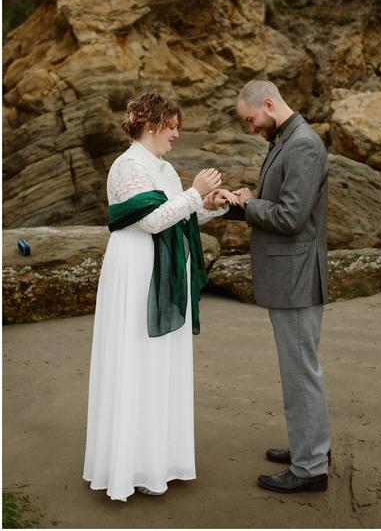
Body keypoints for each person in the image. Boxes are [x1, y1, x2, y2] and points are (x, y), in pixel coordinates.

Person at [83, 92, 237, 501]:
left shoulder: (161, 168)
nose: (177, 134)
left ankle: (159, 460)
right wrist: (193, 190)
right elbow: (151, 221)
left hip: (162, 272)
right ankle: (127, 466)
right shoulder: (128, 165)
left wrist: (209, 204)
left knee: (160, 362)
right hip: (137, 272)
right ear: (151, 124)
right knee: (136, 356)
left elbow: (177, 213)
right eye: (172, 126)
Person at [225, 79, 331, 494]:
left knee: (300, 372)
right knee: (301, 369)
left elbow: (290, 217)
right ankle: (310, 448)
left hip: (297, 276)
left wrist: (248, 204)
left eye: (251, 119)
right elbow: (281, 200)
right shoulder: (285, 139)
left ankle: (310, 468)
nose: (251, 127)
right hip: (292, 275)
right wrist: (245, 199)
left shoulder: (302, 143)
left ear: (268, 104)